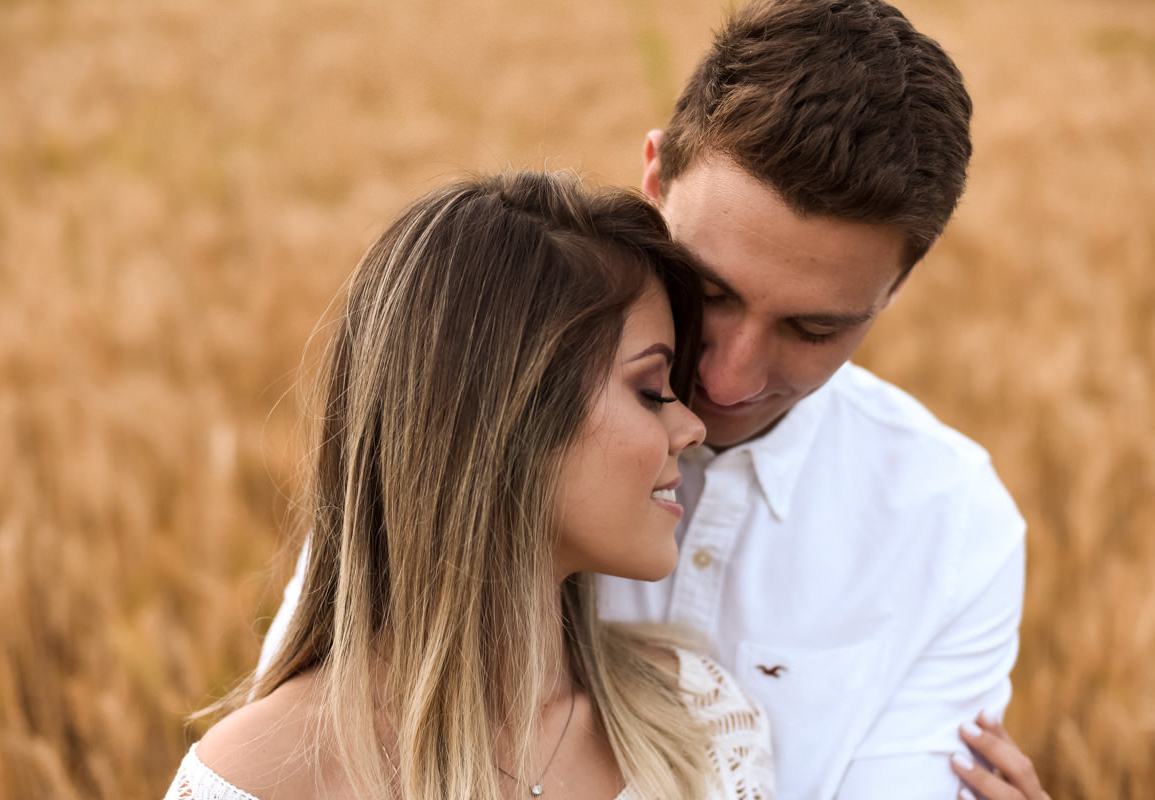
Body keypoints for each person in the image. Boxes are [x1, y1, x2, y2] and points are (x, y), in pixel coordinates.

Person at [261, 2, 1051, 798]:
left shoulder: (952, 529)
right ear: (654, 179)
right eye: (709, 291)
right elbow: (310, 747)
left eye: (813, 329)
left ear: (901, 283)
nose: (729, 381)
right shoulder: (473, 427)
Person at [165, 171, 776, 800]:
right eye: (650, 391)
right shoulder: (258, 777)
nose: (692, 428)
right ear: (506, 419)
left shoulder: (700, 725)